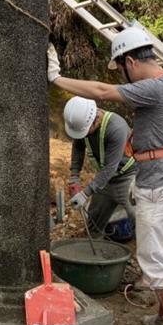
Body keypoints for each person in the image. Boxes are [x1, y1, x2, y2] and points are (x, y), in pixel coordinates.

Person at [47, 28, 163, 325]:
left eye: (122, 69)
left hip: (161, 184)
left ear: (129, 61)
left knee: (154, 258)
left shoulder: (156, 87)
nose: (123, 77)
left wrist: (56, 79)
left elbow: (100, 90)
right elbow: (81, 150)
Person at [64, 96, 136, 238]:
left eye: (84, 131)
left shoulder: (116, 128)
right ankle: (97, 252)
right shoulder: (84, 123)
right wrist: (74, 175)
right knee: (94, 220)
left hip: (128, 176)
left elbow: (110, 167)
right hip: (106, 180)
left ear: (96, 119)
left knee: (139, 218)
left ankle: (141, 254)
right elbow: (78, 146)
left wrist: (85, 194)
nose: (82, 135)